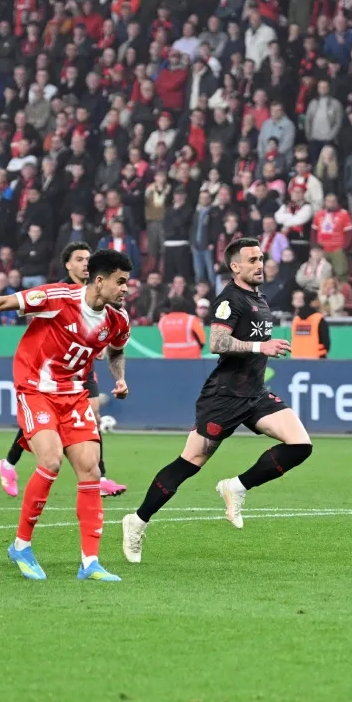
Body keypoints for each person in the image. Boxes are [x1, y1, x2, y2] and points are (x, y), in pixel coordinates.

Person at [0, 249, 134, 582]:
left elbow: (116, 351)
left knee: (90, 469)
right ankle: (21, 545)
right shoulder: (57, 297)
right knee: (50, 461)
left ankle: (90, 562)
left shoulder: (117, 320)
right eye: (120, 282)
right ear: (99, 280)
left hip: (74, 396)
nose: (125, 289)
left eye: (127, 283)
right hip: (36, 389)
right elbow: (5, 302)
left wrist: (119, 377)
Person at [121, 238, 312, 564]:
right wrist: (259, 348)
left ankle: (236, 487)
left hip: (255, 394)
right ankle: (137, 521)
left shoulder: (259, 297)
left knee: (300, 444)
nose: (259, 264)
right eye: (252, 260)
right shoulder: (229, 299)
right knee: (190, 462)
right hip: (224, 396)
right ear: (235, 266)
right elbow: (218, 341)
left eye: (261, 258)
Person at [0, 243, 128, 499]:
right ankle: (9, 463)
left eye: (87, 259)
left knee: (94, 415)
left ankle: (98, 476)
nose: (84, 264)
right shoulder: (61, 291)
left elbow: (109, 335)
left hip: (82, 367)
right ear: (68, 264)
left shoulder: (103, 295)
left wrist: (97, 345)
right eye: (79, 259)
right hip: (52, 370)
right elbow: (41, 323)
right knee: (44, 421)